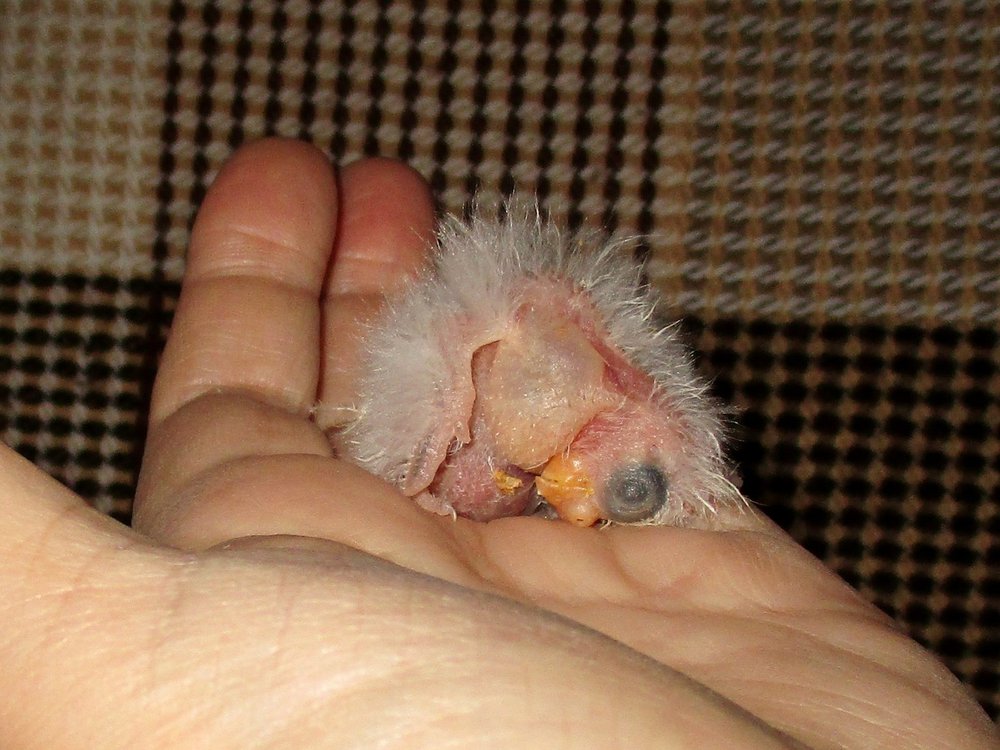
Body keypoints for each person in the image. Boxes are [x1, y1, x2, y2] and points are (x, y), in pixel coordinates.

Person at [0, 138, 994, 749]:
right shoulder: (552, 366)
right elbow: (512, 331)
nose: (578, 506)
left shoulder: (595, 416)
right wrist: (437, 441)